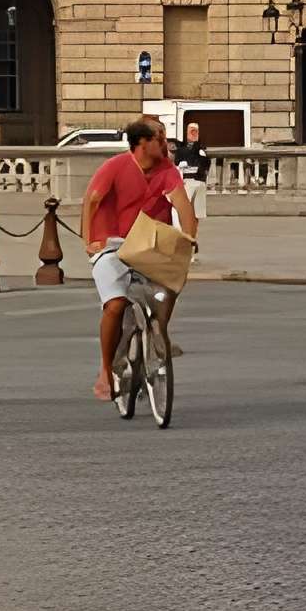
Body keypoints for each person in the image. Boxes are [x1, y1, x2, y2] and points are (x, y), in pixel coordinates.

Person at [81, 115, 195, 403]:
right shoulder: (115, 167)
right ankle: (106, 370)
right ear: (142, 143)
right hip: (113, 244)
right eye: (159, 138)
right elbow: (91, 201)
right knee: (115, 304)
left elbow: (183, 207)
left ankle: (158, 337)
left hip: (150, 244)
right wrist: (89, 241)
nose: (166, 143)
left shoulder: (167, 170)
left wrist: (189, 238)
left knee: (167, 290)